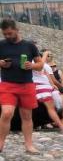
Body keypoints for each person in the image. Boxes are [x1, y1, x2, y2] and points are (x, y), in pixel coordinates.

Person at [0, 18, 41, 153]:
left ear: (17, 30)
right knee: (7, 113)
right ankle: (0, 143)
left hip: (26, 84)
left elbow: (40, 65)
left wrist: (32, 65)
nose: (7, 36)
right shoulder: (2, 45)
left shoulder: (29, 46)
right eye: (5, 34)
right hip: (7, 84)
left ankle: (29, 145)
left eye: (10, 33)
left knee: (27, 116)